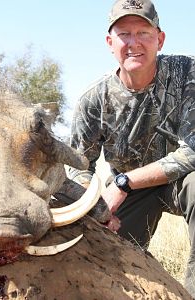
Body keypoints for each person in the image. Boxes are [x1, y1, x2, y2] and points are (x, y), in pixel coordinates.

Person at [68, 0, 195, 296]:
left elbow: (192, 151)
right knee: (100, 254)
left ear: (159, 39)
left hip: (177, 183)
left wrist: (124, 182)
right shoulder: (93, 100)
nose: (134, 43)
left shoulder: (189, 74)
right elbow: (77, 167)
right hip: (131, 195)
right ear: (110, 42)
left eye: (143, 33)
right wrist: (99, 206)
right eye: (124, 34)